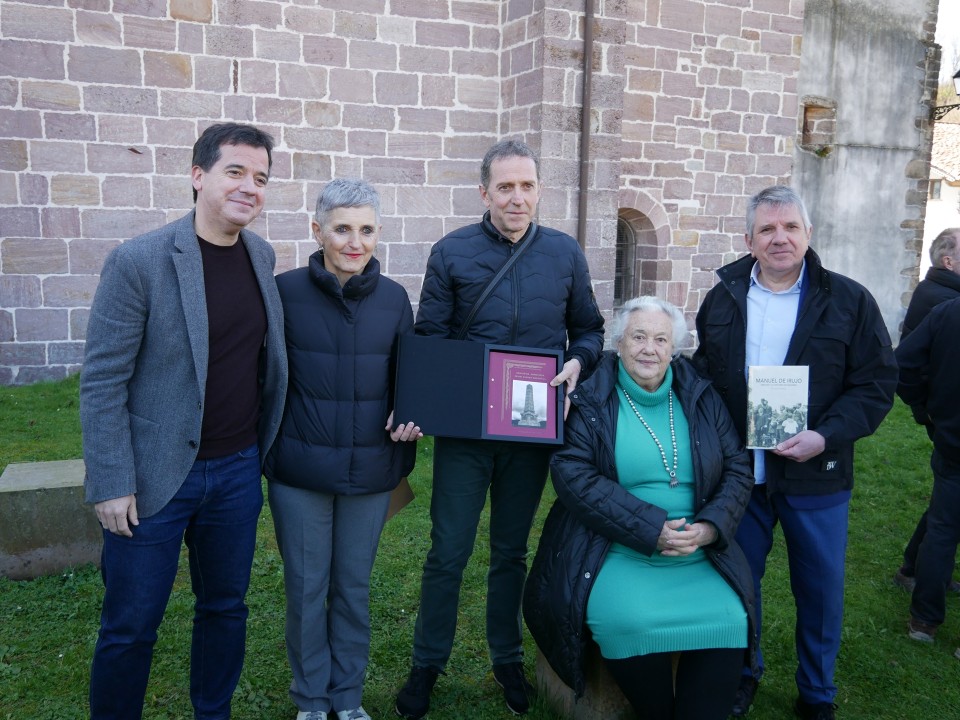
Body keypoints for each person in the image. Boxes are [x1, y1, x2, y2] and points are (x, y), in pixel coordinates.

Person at [80, 122, 287, 719]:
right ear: (198, 176)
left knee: (224, 608)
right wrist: (111, 480)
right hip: (153, 477)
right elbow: (102, 380)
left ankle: (212, 712)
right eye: (235, 171)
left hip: (237, 471)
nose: (249, 187)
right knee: (131, 623)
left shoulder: (261, 255)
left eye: (260, 178)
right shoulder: (139, 261)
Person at [395, 138, 605, 719]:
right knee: (448, 550)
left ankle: (507, 658)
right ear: (485, 192)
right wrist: (426, 405)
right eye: (505, 187)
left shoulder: (564, 253)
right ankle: (427, 663)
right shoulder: (452, 252)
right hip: (466, 432)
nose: (517, 198)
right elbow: (430, 338)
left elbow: (589, 329)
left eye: (527, 186)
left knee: (511, 551)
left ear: (539, 191)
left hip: (529, 431)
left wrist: (577, 361)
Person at [693, 185, 897, 720]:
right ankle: (743, 674)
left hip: (817, 474)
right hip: (742, 476)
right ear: (749, 240)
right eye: (767, 229)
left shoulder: (849, 301)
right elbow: (703, 376)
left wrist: (824, 436)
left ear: (808, 233)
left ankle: (817, 693)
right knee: (738, 584)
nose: (779, 238)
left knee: (820, 591)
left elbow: (876, 384)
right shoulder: (723, 298)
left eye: (790, 227)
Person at [523, 297, 757, 720]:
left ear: (674, 349)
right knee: (627, 621)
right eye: (639, 337)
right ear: (619, 343)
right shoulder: (591, 396)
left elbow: (738, 467)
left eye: (661, 339)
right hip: (616, 548)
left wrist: (709, 528)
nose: (649, 349)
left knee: (730, 618)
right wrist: (651, 529)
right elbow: (573, 473)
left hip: (698, 552)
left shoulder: (700, 395)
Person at [263, 178, 422, 720]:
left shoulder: (395, 299)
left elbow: (408, 380)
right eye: (343, 229)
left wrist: (410, 415)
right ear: (318, 230)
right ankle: (312, 700)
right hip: (300, 471)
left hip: (370, 472)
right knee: (307, 590)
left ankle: (347, 699)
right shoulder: (283, 293)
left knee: (353, 589)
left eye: (367, 230)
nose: (356, 243)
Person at [894, 227, 960, 594]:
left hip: (945, 414)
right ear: (948, 261)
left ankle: (915, 568)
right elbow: (906, 365)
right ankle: (921, 582)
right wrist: (926, 409)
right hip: (947, 416)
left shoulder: (940, 292)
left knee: (947, 503)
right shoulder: (943, 300)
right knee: (947, 512)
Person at [895, 296, 960, 648]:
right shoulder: (949, 311)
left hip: (951, 438)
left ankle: (924, 619)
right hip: (952, 441)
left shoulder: (949, 311)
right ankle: (924, 618)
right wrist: (924, 409)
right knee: (943, 527)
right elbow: (901, 365)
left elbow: (903, 363)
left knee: (943, 525)